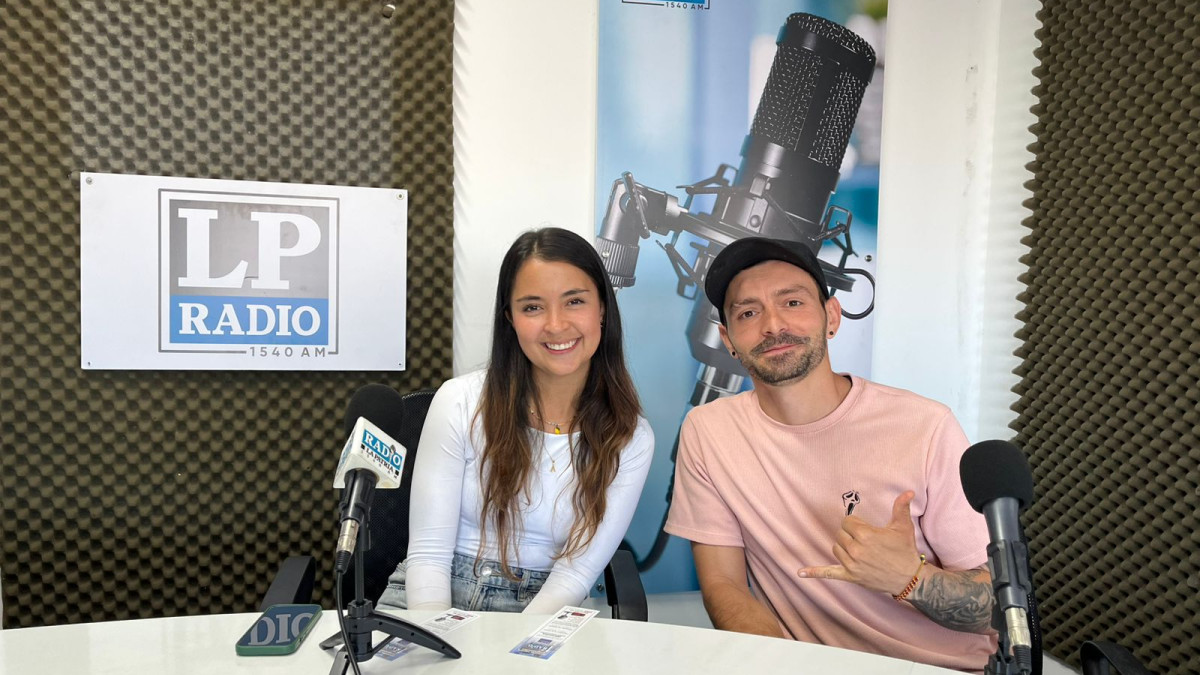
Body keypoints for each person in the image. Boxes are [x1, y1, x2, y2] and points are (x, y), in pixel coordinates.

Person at [664, 237, 997, 672]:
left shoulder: (925, 425)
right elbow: (725, 585)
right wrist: (779, 665)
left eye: (793, 303)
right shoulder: (709, 431)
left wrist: (910, 579)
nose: (772, 325)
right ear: (728, 339)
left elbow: (994, 607)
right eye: (748, 312)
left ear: (832, 317)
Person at [378, 227, 653, 614]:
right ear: (510, 319)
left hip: (547, 606)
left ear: (603, 309)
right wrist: (436, 641)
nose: (556, 325)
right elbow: (428, 555)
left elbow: (576, 575)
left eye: (574, 301)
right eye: (533, 307)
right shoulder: (460, 401)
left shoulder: (630, 436)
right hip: (430, 594)